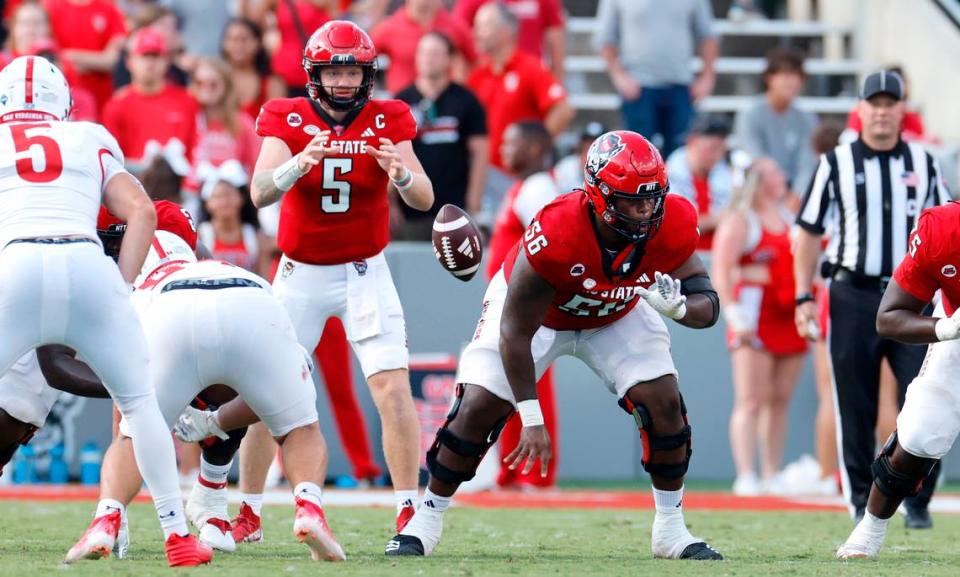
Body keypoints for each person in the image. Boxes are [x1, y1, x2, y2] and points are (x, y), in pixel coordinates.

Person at [385, 130, 723, 560]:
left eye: (652, 197)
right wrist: (530, 416)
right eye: (632, 200)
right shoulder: (559, 228)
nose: (645, 210)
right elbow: (514, 332)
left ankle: (671, 530)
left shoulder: (671, 220)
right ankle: (426, 519)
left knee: (664, 403)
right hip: (539, 317)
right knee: (478, 409)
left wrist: (678, 309)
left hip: (614, 312)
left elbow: (707, 305)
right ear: (599, 195)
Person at [196, 20, 434, 542]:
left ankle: (408, 512)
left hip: (365, 272)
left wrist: (402, 175)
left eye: (353, 70)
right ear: (315, 73)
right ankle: (250, 512)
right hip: (299, 274)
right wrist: (297, 165)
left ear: (367, 73)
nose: (345, 81)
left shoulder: (388, 117)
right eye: (336, 70)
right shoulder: (287, 115)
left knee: (392, 389)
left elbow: (425, 198)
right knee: (266, 391)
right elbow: (259, 191)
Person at [0, 55, 208, 566]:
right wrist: (120, 287)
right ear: (62, 104)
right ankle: (178, 535)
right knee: (140, 406)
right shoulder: (88, 135)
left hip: (18, 264)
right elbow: (139, 210)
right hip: (84, 263)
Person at [69, 209, 346, 561]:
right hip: (250, 294)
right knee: (300, 428)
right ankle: (309, 507)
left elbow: (126, 401)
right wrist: (215, 421)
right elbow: (263, 400)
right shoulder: (203, 256)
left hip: (170, 305)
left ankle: (105, 519)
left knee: (133, 434)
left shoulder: (122, 277)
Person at [794, 70, 949, 526]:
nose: (882, 111)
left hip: (912, 298)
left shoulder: (924, 162)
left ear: (903, 110)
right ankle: (862, 502)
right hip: (852, 293)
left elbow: (943, 230)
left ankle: (917, 500)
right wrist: (804, 295)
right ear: (860, 110)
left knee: (926, 397)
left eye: (890, 103)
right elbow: (806, 234)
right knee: (854, 404)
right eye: (874, 103)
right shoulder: (836, 163)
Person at [837, 201, 960, 559]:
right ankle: (870, 528)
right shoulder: (945, 231)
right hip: (958, 335)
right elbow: (889, 317)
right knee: (922, 430)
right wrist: (945, 327)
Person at [712, 158, 807, 495]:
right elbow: (722, 269)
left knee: (780, 397)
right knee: (751, 398)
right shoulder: (741, 220)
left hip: (786, 312)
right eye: (774, 172)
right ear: (759, 179)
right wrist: (733, 312)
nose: (782, 176)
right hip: (754, 312)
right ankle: (746, 472)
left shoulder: (789, 216)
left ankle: (771, 470)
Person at [485, 120, 560, 489]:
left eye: (512, 141)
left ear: (534, 147)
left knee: (529, 388)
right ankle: (513, 472)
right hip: (513, 304)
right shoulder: (523, 186)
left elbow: (551, 246)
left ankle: (535, 475)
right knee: (509, 388)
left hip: (526, 307)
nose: (502, 148)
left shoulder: (537, 187)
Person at [467, 2, 572, 214]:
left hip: (518, 178)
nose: (476, 33)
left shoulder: (529, 68)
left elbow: (563, 109)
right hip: (485, 176)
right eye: (476, 26)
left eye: (484, 26)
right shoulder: (477, 75)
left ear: (506, 31)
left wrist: (533, 146)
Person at [593, 0, 717, 157]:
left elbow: (708, 36)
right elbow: (605, 38)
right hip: (639, 88)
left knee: (680, 157)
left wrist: (707, 77)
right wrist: (619, 77)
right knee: (635, 157)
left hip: (680, 86)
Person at [394, 31, 487, 239]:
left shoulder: (466, 101)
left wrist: (474, 199)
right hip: (412, 210)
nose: (428, 59)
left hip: (454, 209)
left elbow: (481, 153)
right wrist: (389, 202)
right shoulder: (401, 101)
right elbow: (391, 155)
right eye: (424, 53)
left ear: (449, 59)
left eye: (435, 53)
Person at [102, 27, 198, 171]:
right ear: (129, 61)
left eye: (156, 56)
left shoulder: (187, 100)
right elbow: (111, 159)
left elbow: (194, 150)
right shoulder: (116, 106)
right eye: (144, 55)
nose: (150, 62)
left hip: (179, 186)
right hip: (135, 184)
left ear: (167, 61)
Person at [734, 47, 818, 195]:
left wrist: (796, 197)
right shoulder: (750, 114)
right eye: (785, 75)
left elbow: (808, 163)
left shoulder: (807, 119)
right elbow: (755, 155)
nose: (792, 82)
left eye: (797, 75)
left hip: (795, 196)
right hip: (758, 193)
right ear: (769, 78)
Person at [371, 0, 476, 96]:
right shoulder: (390, 27)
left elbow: (477, 61)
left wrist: (463, 87)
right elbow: (363, 57)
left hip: (445, 102)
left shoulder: (453, 25)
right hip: (402, 104)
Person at [187, 57, 261, 189]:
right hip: (193, 194)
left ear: (226, 86)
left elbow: (257, 164)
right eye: (200, 83)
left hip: (233, 196)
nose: (206, 88)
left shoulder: (242, 121)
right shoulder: (188, 118)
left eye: (213, 84)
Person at [42, 0, 127, 114]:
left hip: (100, 98)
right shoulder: (52, 7)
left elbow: (111, 61)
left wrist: (69, 56)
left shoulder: (109, 9)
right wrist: (95, 61)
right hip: (60, 98)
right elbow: (46, 54)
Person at [666, 114, 733, 251]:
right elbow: (676, 227)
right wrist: (716, 220)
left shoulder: (724, 174)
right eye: (712, 149)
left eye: (722, 150)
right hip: (682, 259)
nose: (717, 156)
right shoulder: (668, 176)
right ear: (692, 142)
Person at [453, 0, 565, 80]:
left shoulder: (533, 73)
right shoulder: (479, 78)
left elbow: (556, 42)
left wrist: (556, 81)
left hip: (529, 76)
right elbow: (457, 38)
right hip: (488, 74)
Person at [196, 160, 271, 275]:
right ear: (207, 204)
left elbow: (265, 277)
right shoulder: (200, 237)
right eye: (217, 197)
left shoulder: (255, 237)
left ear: (241, 198)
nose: (224, 202)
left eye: (228, 195)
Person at [221, 18, 286, 120]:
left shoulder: (272, 84)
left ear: (258, 43)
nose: (238, 45)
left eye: (244, 39)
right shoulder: (216, 81)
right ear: (224, 44)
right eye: (233, 39)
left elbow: (276, 123)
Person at [554, 121, 605, 193]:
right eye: (587, 144)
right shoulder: (565, 167)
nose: (590, 148)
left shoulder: (610, 170)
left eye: (596, 145)